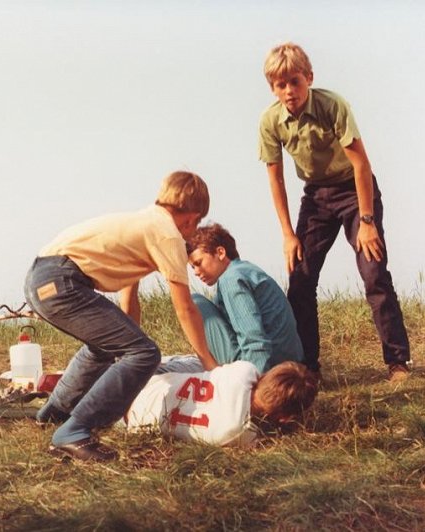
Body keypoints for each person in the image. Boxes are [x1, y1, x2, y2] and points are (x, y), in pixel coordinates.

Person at [25, 170, 217, 462]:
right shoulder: (167, 234)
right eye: (196, 224)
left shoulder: (144, 223)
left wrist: (128, 349)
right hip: (62, 281)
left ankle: (55, 413)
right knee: (147, 353)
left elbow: (128, 302)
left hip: (42, 278)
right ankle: (75, 431)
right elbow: (185, 308)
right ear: (192, 217)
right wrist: (208, 362)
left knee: (107, 347)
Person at [258, 42, 411, 381]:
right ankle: (308, 367)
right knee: (300, 279)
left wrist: (368, 221)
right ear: (272, 87)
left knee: (373, 273)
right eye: (280, 85)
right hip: (315, 198)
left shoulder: (332, 105)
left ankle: (398, 361)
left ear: (308, 78)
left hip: (355, 192)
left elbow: (361, 164)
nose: (288, 91)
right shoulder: (271, 122)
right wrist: (287, 234)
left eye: (294, 82)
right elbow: (277, 180)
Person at [161, 223, 303, 375]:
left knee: (195, 302)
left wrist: (253, 387)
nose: (196, 272)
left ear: (220, 252)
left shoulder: (231, 279)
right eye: (193, 268)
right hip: (291, 365)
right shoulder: (245, 270)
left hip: (269, 367)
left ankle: (218, 373)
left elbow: (254, 338)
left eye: (198, 263)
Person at [124, 360, 317, 447]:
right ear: (283, 417)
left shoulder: (245, 370)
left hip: (145, 383)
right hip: (129, 420)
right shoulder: (243, 435)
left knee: (194, 362)